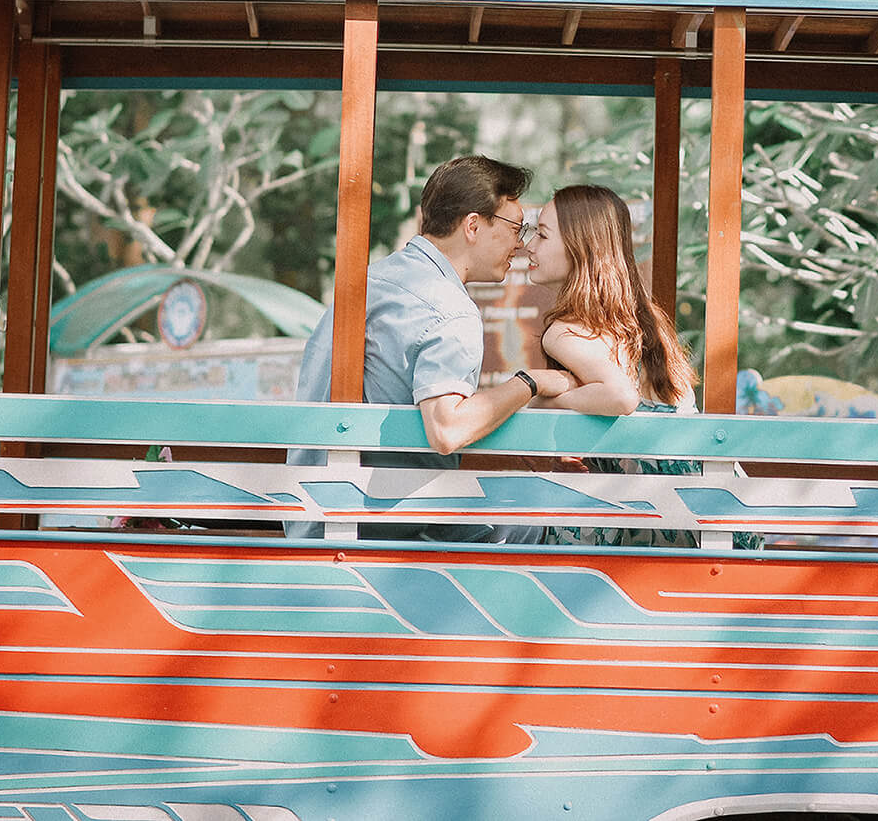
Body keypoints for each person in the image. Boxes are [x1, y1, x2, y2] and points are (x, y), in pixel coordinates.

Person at [287, 155, 572, 543]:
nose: (520, 245)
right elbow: (447, 429)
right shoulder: (449, 309)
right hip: (374, 524)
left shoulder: (372, 279)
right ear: (473, 226)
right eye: (515, 228)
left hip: (313, 511)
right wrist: (531, 382)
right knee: (536, 520)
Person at [521, 184, 702, 547]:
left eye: (541, 234)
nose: (529, 246)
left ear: (579, 245)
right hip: (704, 508)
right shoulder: (645, 317)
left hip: (653, 517)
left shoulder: (564, 332)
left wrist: (541, 399)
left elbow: (621, 397)